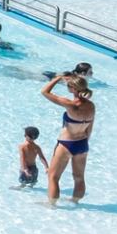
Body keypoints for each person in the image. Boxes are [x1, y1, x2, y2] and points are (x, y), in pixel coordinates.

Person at [42, 73, 95, 204]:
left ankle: (51, 204)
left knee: (53, 176)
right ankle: (75, 201)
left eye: (68, 86)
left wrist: (57, 78)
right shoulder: (91, 106)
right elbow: (90, 127)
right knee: (79, 177)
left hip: (67, 144)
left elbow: (44, 91)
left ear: (74, 89)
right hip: (82, 144)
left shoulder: (70, 104)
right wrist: (84, 143)